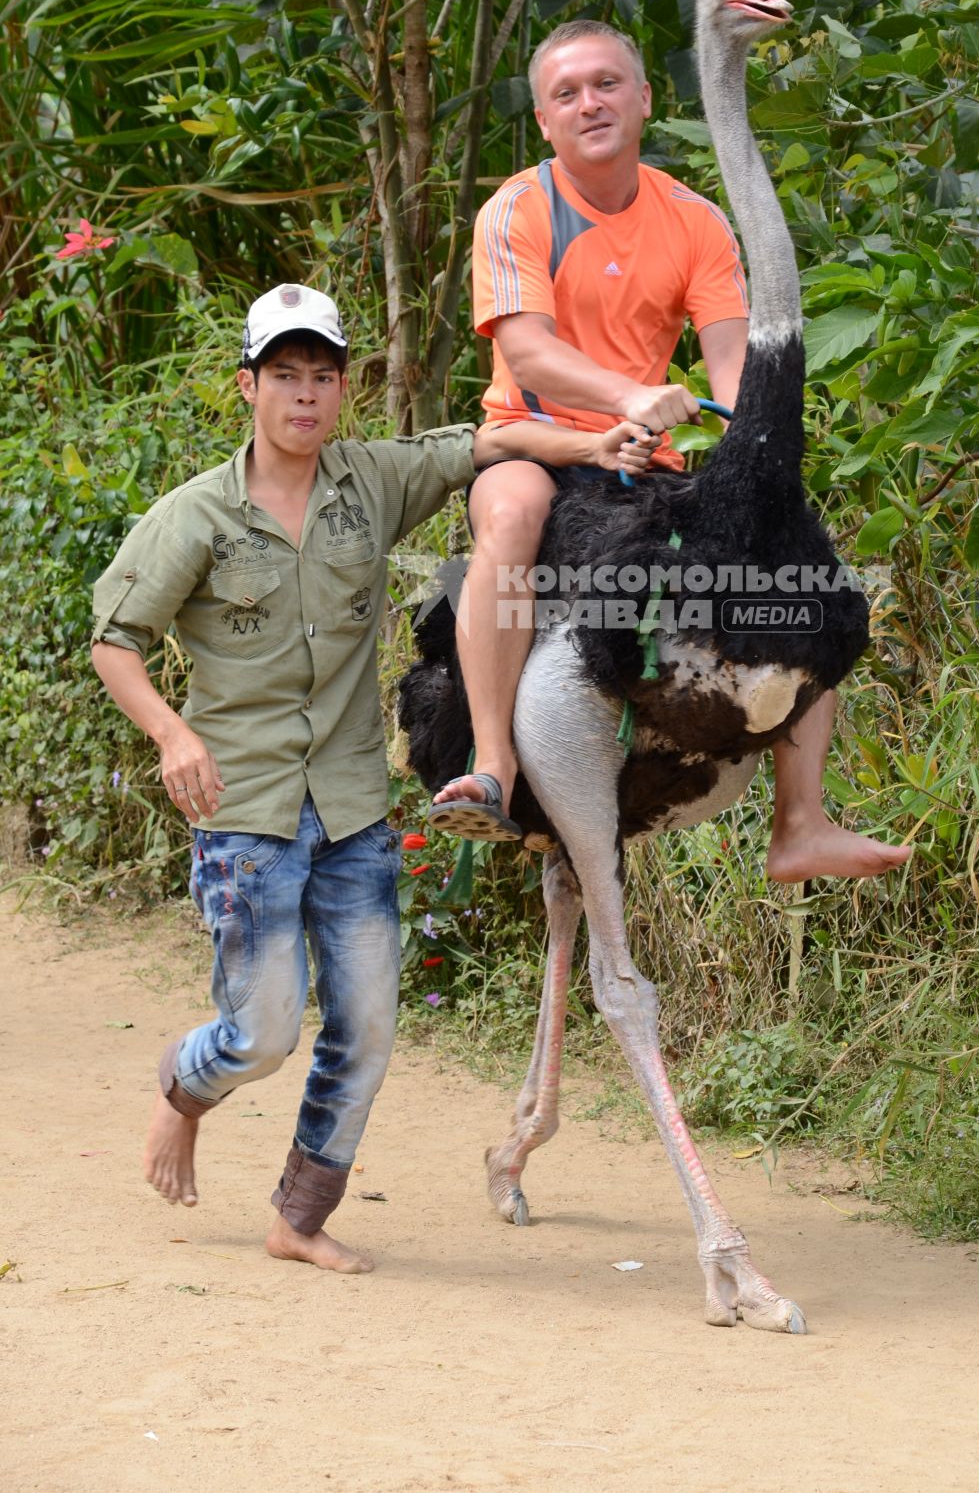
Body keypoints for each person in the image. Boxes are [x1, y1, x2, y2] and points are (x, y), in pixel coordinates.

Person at [91, 283, 650, 1273]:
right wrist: (174, 735)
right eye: (285, 377)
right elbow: (115, 641)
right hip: (246, 811)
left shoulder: (367, 484)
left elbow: (479, 445)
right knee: (261, 1035)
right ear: (249, 387)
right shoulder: (198, 518)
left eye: (322, 377)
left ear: (341, 390)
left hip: (349, 805)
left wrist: (595, 444)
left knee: (368, 1024)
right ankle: (185, 1085)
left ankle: (296, 1218)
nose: (304, 396)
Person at [428, 21, 910, 882]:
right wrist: (624, 399)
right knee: (512, 510)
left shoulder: (692, 218)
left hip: (645, 454)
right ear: (544, 121)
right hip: (540, 440)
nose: (590, 103)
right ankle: (494, 761)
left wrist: (752, 472)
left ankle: (800, 819)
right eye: (567, 93)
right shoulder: (517, 209)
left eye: (607, 84)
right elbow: (527, 352)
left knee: (800, 554)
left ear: (645, 98)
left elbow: (730, 370)